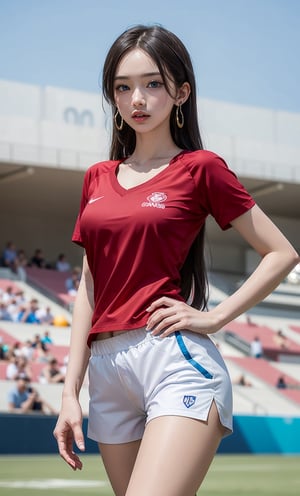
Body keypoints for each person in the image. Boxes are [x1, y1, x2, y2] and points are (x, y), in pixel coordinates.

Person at [53, 25, 299, 496]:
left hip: (172, 359)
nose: (136, 99)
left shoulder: (200, 168)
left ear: (181, 92)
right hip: (106, 371)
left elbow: (282, 253)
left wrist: (214, 317)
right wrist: (69, 393)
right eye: (122, 87)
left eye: (153, 84)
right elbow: (90, 285)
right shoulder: (97, 178)